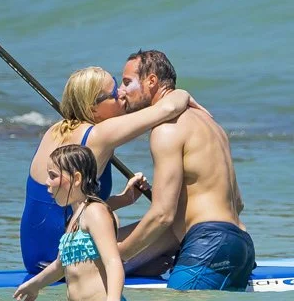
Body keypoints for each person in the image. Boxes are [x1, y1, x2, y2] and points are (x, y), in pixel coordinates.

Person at [21, 66, 208, 274]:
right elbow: (168, 109)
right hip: (61, 261)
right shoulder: (98, 135)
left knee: (156, 252)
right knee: (178, 227)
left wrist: (124, 199)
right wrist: (182, 93)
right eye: (113, 94)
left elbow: (69, 211)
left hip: (36, 258)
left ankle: (140, 266)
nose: (122, 93)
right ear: (93, 109)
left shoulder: (55, 131)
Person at [117, 50, 254, 291]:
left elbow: (162, 215)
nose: (121, 90)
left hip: (208, 245)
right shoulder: (211, 124)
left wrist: (117, 255)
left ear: (151, 81)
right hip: (241, 245)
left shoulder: (166, 128)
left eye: (127, 82)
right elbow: (238, 203)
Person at [14, 144, 146, 301]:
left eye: (53, 175)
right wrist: (34, 285)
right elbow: (60, 266)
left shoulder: (95, 212)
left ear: (76, 179)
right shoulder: (76, 216)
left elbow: (113, 261)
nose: (47, 182)